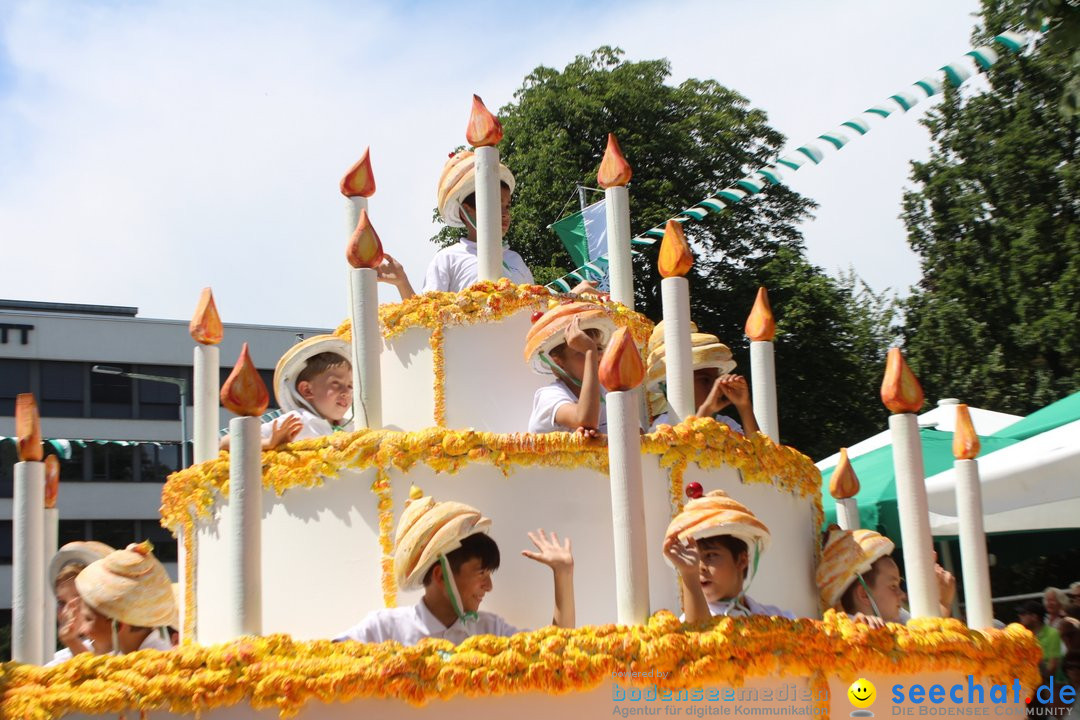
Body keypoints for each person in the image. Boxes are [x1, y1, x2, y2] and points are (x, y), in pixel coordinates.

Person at [334, 490, 575, 646]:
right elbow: (325, 663)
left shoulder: (490, 630)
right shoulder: (383, 629)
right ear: (440, 575)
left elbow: (555, 652)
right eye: (482, 573)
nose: (489, 586)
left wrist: (562, 573)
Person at [377, 150, 533, 299]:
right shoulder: (448, 259)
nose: (505, 214)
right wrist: (401, 282)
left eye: (507, 206)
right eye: (495, 205)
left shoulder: (516, 260)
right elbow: (425, 315)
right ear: (467, 210)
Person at [662, 489, 793, 623]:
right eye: (695, 560)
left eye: (711, 555)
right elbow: (700, 633)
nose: (699, 567)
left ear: (742, 560)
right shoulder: (691, 619)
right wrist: (689, 574)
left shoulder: (779, 618)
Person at [221, 335, 353, 451]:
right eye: (336, 384)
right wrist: (269, 443)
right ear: (307, 390)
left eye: (350, 386)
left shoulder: (351, 428)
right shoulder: (297, 421)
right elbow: (227, 441)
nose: (346, 392)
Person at [645, 322, 759, 435]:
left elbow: (757, 452)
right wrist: (707, 409)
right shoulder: (664, 425)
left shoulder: (725, 423)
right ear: (674, 387)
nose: (715, 388)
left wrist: (744, 406)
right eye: (705, 380)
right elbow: (685, 449)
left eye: (716, 381)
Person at [524, 302, 616, 435]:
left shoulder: (608, 392)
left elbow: (638, 433)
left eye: (599, 349)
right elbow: (586, 420)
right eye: (582, 351)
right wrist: (590, 350)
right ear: (559, 362)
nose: (598, 357)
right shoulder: (548, 395)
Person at [75, 541, 178, 656]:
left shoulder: (159, 665)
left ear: (118, 624)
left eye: (88, 619)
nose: (81, 630)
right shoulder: (122, 658)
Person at [45, 541, 115, 666]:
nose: (68, 610)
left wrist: (73, 642)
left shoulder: (144, 651)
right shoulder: (61, 659)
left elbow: (102, 680)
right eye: (61, 602)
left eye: (79, 599)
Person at [1017, 599, 1063, 685]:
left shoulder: (1052, 634)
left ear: (1034, 617)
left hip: (1047, 684)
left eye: (1023, 613)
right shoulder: (1022, 636)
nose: (1020, 616)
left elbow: (1052, 667)